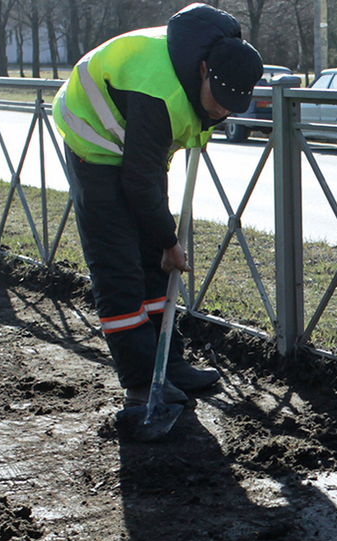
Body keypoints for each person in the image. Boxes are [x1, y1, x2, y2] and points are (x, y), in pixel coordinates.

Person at [52, 3, 263, 410]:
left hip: (137, 146)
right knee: (119, 267)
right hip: (92, 141)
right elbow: (138, 183)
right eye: (217, 100)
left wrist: (161, 245)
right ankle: (142, 385)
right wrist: (170, 241)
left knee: (152, 257)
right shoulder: (159, 91)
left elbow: (146, 175)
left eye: (231, 107)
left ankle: (168, 363)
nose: (219, 111)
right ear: (203, 70)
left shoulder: (216, 67)